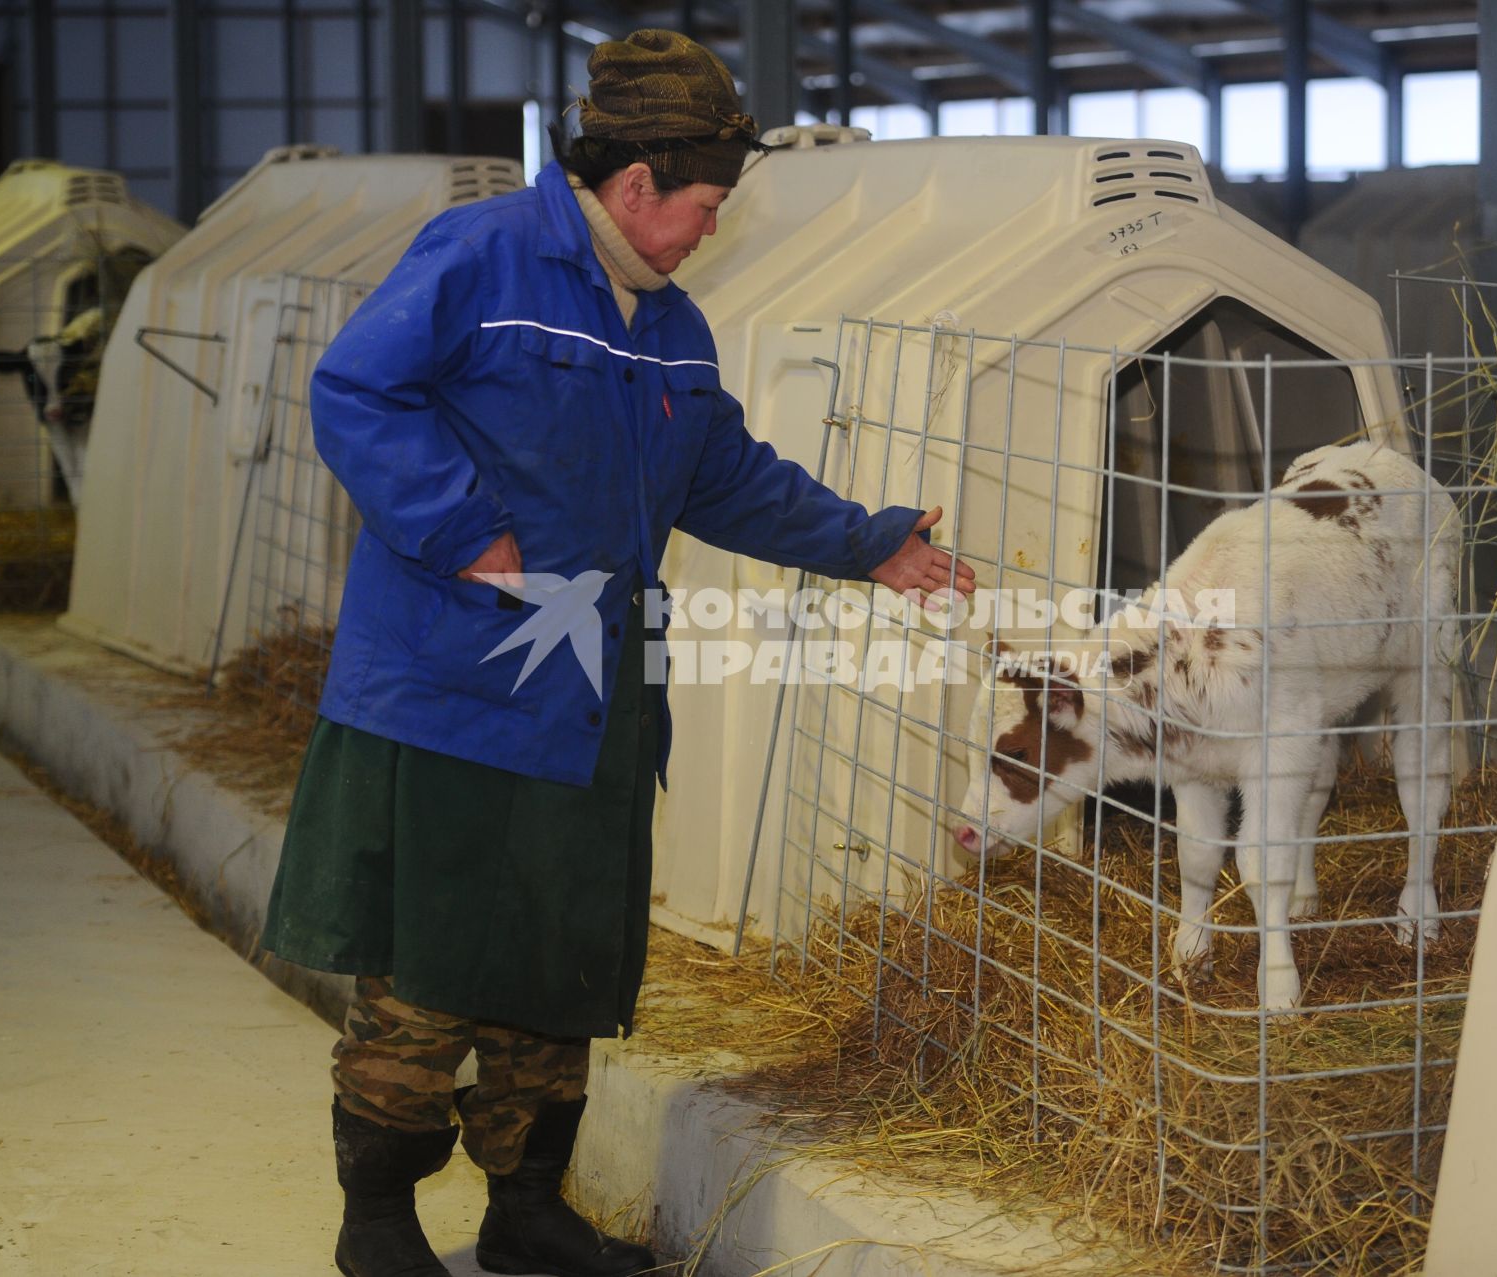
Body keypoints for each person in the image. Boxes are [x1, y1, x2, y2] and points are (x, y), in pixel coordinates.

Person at [259, 28, 976, 1277]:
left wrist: (872, 543)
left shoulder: (673, 327)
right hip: (453, 690)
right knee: (429, 966)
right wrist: (458, 530)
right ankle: (375, 1221)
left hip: (594, 702)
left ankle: (528, 1209)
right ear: (638, 183)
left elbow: (728, 476)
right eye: (702, 204)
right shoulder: (482, 256)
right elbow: (356, 390)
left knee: (561, 958)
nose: (709, 228)